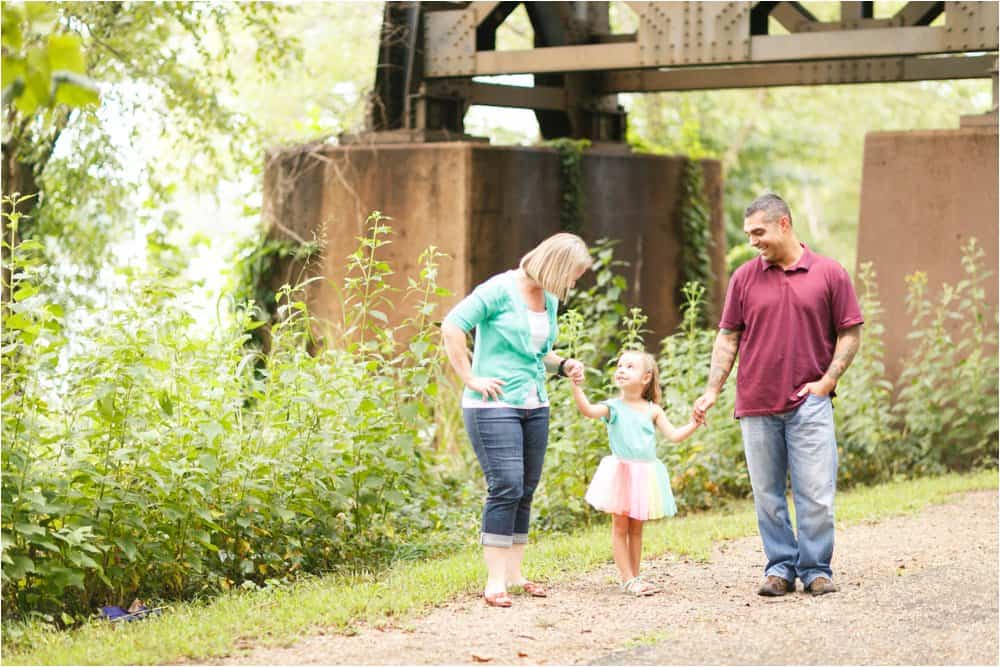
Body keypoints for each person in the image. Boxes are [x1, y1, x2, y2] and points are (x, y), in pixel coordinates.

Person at [693, 193, 864, 597]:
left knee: (816, 494)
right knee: (768, 496)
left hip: (810, 403)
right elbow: (728, 336)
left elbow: (850, 332)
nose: (753, 240)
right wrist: (712, 390)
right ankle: (780, 568)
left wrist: (827, 381)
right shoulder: (744, 278)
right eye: (749, 233)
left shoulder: (829, 273)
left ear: (784, 224)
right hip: (755, 403)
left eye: (759, 232)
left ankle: (817, 568)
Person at [441, 232, 592, 608]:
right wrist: (469, 377)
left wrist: (563, 365)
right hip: (492, 405)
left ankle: (514, 574)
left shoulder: (550, 299)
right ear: (556, 267)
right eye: (573, 274)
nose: (573, 283)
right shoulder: (498, 290)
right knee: (505, 485)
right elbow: (452, 325)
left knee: (525, 488)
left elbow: (536, 351)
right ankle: (495, 582)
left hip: (533, 403)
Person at [570, 349, 702, 596]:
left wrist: (694, 423)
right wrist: (576, 386)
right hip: (620, 473)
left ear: (646, 377)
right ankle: (627, 578)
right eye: (620, 365)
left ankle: (635, 576)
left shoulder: (653, 410)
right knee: (620, 527)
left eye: (630, 366)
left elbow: (673, 436)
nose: (621, 369)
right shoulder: (613, 407)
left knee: (636, 529)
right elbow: (588, 410)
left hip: (644, 476)